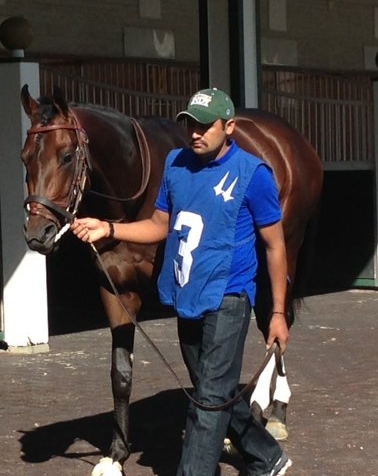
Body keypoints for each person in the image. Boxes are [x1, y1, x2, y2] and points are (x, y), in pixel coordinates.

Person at [71, 88, 292, 476]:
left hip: (230, 296)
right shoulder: (176, 165)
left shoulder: (253, 175)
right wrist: (108, 227)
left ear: (230, 127)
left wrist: (276, 312)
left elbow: (274, 246)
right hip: (187, 295)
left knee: (206, 402)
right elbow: (159, 226)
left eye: (206, 125)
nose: (195, 132)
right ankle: (267, 456)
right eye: (190, 123)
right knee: (214, 387)